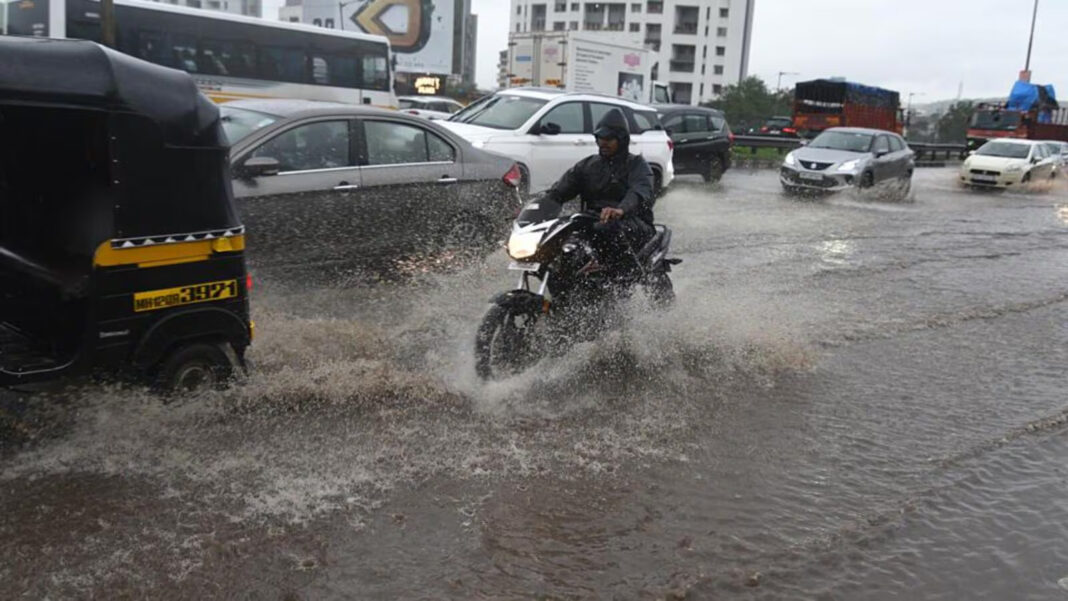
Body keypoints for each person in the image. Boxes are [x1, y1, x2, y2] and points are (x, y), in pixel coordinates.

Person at [539, 108, 656, 275]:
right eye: (600, 138)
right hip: (591, 219)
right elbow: (559, 191)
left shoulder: (637, 165)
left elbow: (639, 192)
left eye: (609, 139)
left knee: (607, 228)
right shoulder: (587, 165)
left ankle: (622, 277)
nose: (603, 143)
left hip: (632, 222)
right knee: (560, 232)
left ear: (622, 139)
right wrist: (537, 207)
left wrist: (620, 210)